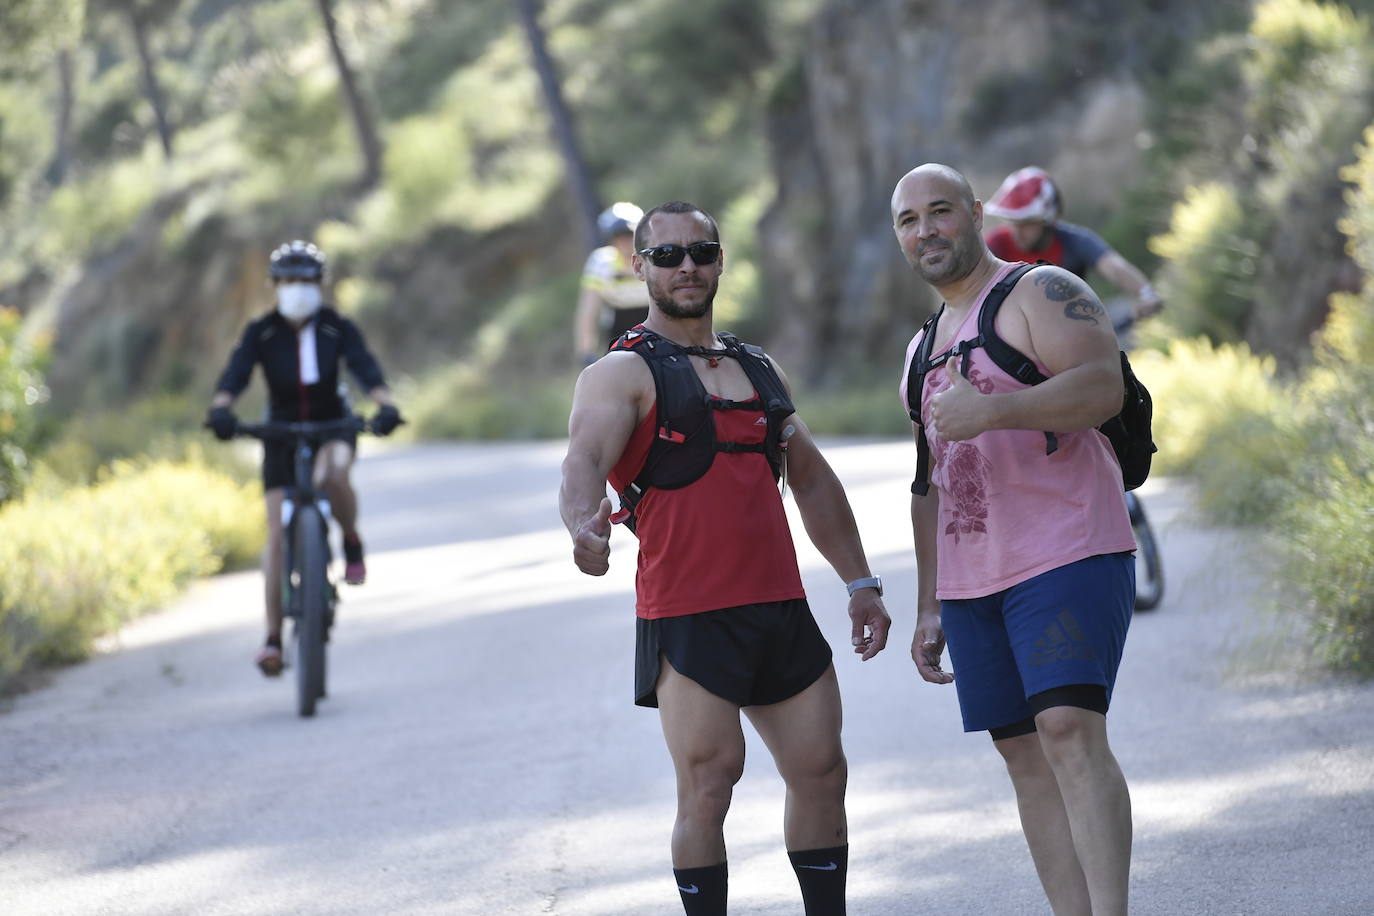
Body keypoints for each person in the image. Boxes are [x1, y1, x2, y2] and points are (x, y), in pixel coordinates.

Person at [560, 200, 891, 915]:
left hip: (779, 607)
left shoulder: (756, 367)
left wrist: (860, 581)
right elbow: (583, 459)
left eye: (701, 253)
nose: (687, 267)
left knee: (821, 771)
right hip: (689, 615)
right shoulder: (620, 375)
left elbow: (810, 479)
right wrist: (584, 527)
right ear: (640, 266)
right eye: (668, 255)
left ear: (718, 262)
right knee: (710, 784)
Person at [890, 164, 1137, 915]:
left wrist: (995, 412)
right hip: (972, 583)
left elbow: (1103, 388)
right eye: (908, 220)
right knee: (1023, 754)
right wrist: (929, 604)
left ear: (972, 214)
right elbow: (928, 483)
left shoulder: (1039, 293)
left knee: (1066, 728)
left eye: (940, 211)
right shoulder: (921, 347)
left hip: (1068, 548)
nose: (926, 229)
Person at [206, 240, 403, 677]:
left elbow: (365, 368)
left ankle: (350, 540)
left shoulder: (337, 327)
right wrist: (221, 409)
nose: (298, 288)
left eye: (307, 280)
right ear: (276, 285)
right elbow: (236, 373)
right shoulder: (262, 332)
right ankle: (273, 638)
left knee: (334, 475)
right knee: (276, 535)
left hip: (333, 424)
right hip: (279, 432)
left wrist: (385, 405)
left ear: (320, 284)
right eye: (289, 280)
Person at [984, 166, 1163, 321]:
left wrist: (1146, 294)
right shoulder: (996, 245)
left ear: (1048, 219)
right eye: (1012, 222)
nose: (1017, 232)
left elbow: (1114, 266)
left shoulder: (1073, 241)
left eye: (1027, 223)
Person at [574, 201, 653, 365]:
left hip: (654, 324)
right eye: (618, 236)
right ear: (611, 239)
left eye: (629, 235)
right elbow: (589, 311)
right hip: (617, 330)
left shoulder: (653, 259)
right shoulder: (601, 263)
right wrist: (586, 352)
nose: (625, 242)